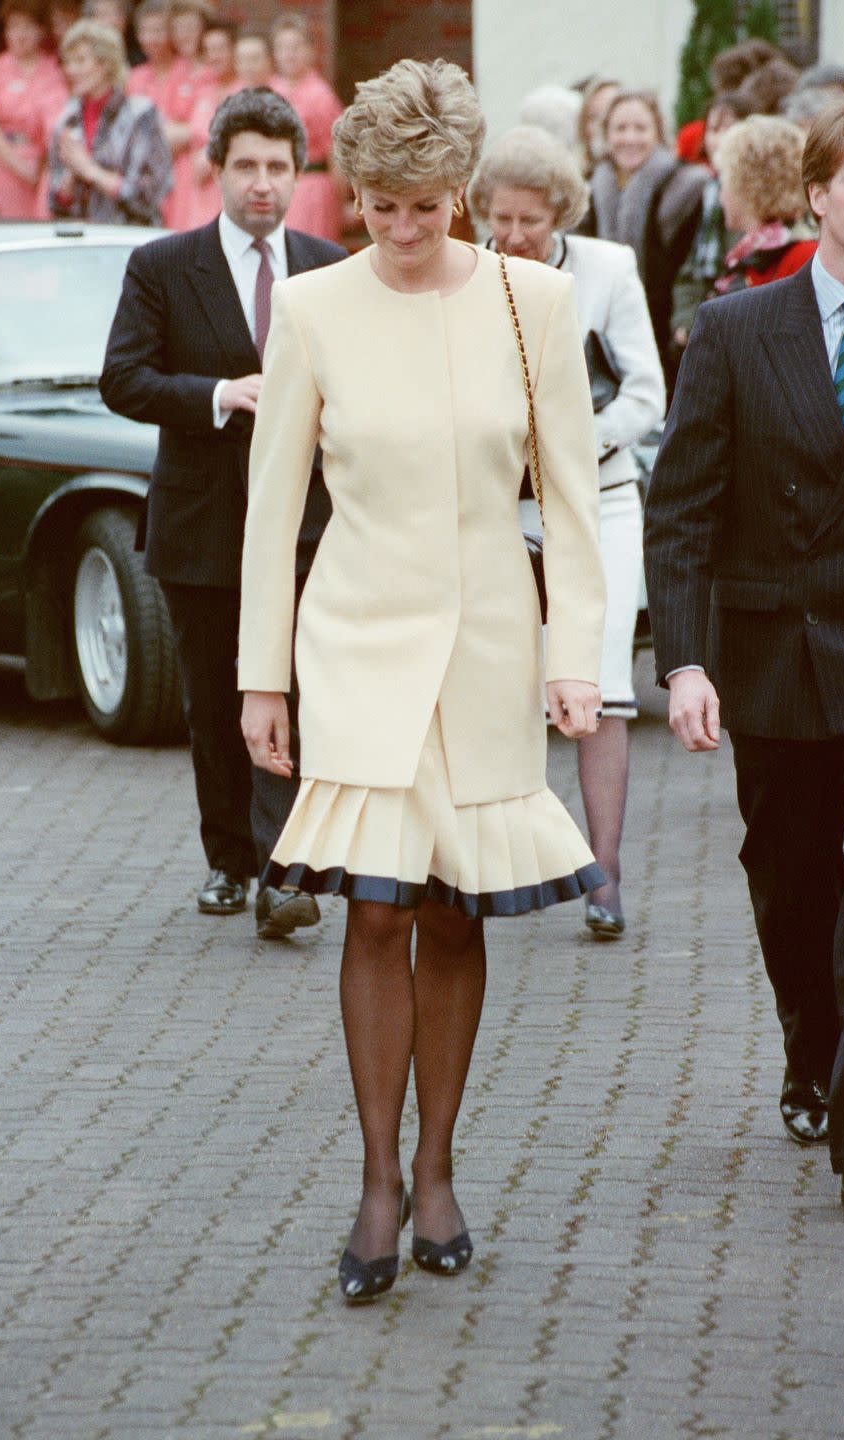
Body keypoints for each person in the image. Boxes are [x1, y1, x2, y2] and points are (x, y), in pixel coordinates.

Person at [237, 60, 605, 1304]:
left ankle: (442, 1164)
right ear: (356, 196)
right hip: (353, 643)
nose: (401, 229)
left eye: (425, 204)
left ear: (463, 190)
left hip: (494, 651)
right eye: (380, 204)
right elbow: (272, 503)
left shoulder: (535, 302)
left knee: (454, 911)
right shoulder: (316, 307)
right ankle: (379, 1181)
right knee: (377, 910)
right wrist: (260, 679)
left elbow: (572, 499)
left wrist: (576, 665)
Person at [643, 94, 844, 1231]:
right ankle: (814, 1049)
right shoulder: (736, 330)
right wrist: (685, 662)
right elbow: (681, 510)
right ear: (817, 194)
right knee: (795, 885)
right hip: (774, 653)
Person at [100, 87, 345, 934]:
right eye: (246, 166)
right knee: (213, 697)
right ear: (216, 171)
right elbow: (122, 379)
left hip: (309, 527)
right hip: (201, 522)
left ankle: (286, 867)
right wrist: (215, 393)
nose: (262, 185)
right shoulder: (164, 266)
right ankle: (228, 861)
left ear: (298, 172)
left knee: (294, 688)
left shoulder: (328, 263)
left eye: (278, 167)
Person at [469, 125, 664, 940]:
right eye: (500, 219)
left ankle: (605, 875)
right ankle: (499, 864)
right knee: (497, 680)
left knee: (602, 675)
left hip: (599, 497)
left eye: (531, 221)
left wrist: (569, 444)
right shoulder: (465, 273)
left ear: (563, 214)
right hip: (495, 504)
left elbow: (647, 394)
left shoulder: (608, 270)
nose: (513, 237)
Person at [585, 89, 708, 384]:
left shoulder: (686, 188)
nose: (630, 138)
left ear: (658, 133)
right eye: (620, 128)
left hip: (665, 331)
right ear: (606, 134)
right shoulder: (593, 186)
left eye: (641, 128)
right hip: (605, 329)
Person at [49, 19, 171, 225]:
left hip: (129, 239)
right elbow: (55, 204)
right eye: (68, 62)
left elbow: (145, 198)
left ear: (106, 63)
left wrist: (90, 170)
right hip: (81, 241)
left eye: (80, 60)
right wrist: (71, 174)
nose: (71, 70)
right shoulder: (67, 119)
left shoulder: (140, 115)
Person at [672, 92, 751, 348]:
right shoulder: (705, 191)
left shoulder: (760, 195)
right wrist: (685, 322)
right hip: (705, 320)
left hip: (739, 321)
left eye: (731, 128)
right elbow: (690, 270)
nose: (721, 139)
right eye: (714, 129)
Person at [0, 0, 66, 218]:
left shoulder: (56, 70)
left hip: (44, 167)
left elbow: (58, 124)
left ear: (41, 31)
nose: (20, 34)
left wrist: (40, 169)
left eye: (28, 27)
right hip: (2, 164)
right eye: (14, 27)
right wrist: (22, 169)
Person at [712, 115, 818, 294]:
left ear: (748, 184)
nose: (720, 193)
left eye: (724, 180)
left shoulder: (802, 259)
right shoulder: (752, 252)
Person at [270, 12, 343, 242]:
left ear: (311, 51)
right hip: (276, 185)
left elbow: (336, 156)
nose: (289, 54)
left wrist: (341, 203)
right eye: (282, 47)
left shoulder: (321, 96)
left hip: (311, 185)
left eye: (296, 47)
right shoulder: (272, 90)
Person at [163, 0, 212, 230]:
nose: (184, 35)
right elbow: (162, 132)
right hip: (175, 170)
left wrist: (189, 132)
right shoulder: (173, 71)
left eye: (191, 28)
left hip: (205, 169)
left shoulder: (213, 69)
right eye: (178, 28)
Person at [184, 16, 238, 229]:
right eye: (209, 50)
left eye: (220, 49)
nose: (214, 56)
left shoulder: (244, 89)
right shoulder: (201, 90)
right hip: (197, 189)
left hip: (226, 184)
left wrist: (209, 154)